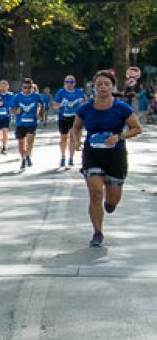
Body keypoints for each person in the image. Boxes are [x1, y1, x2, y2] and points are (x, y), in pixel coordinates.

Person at [69, 69, 141, 247]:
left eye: (106, 84)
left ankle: (111, 203)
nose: (102, 87)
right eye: (99, 84)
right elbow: (76, 127)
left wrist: (119, 136)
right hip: (92, 155)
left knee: (112, 200)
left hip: (115, 156)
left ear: (112, 87)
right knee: (95, 193)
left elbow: (136, 128)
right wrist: (76, 141)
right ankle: (97, 232)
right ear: (94, 87)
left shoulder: (122, 108)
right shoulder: (85, 108)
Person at [51, 74, 86, 168]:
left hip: (74, 117)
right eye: (67, 82)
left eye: (71, 82)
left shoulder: (79, 92)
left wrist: (82, 104)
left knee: (72, 136)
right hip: (63, 117)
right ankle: (63, 157)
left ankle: (71, 158)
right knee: (63, 137)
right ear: (64, 83)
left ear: (74, 83)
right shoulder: (61, 92)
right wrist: (61, 104)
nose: (69, 84)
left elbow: (85, 103)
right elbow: (54, 105)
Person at [9, 78, 45, 170]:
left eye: (29, 87)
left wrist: (40, 114)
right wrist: (16, 112)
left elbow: (42, 105)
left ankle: (28, 155)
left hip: (32, 122)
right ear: (22, 87)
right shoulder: (17, 97)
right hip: (20, 123)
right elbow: (11, 109)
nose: (27, 89)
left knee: (30, 140)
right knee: (21, 142)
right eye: (25, 87)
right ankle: (23, 158)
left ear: (32, 87)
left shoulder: (36, 96)